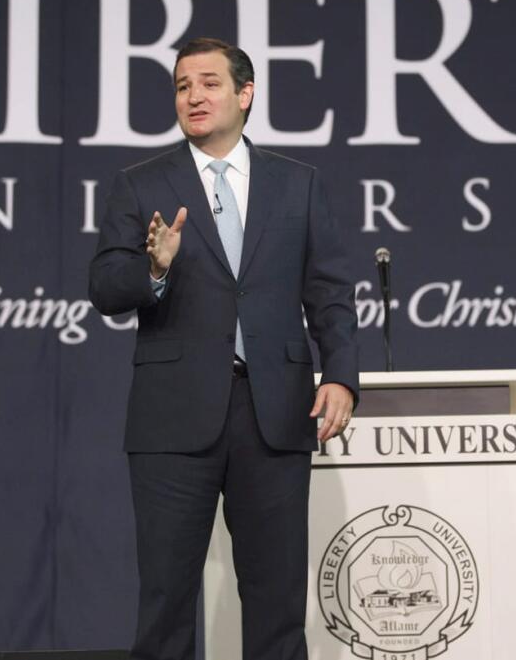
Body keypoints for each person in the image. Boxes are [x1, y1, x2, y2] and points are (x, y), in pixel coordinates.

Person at [88, 37, 359, 660]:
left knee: (277, 604)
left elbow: (330, 294)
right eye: (183, 86)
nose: (193, 96)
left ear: (245, 93)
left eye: (209, 83)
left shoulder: (299, 185)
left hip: (275, 413)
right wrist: (152, 268)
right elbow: (105, 287)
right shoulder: (141, 185)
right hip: (172, 417)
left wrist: (340, 375)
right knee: (164, 604)